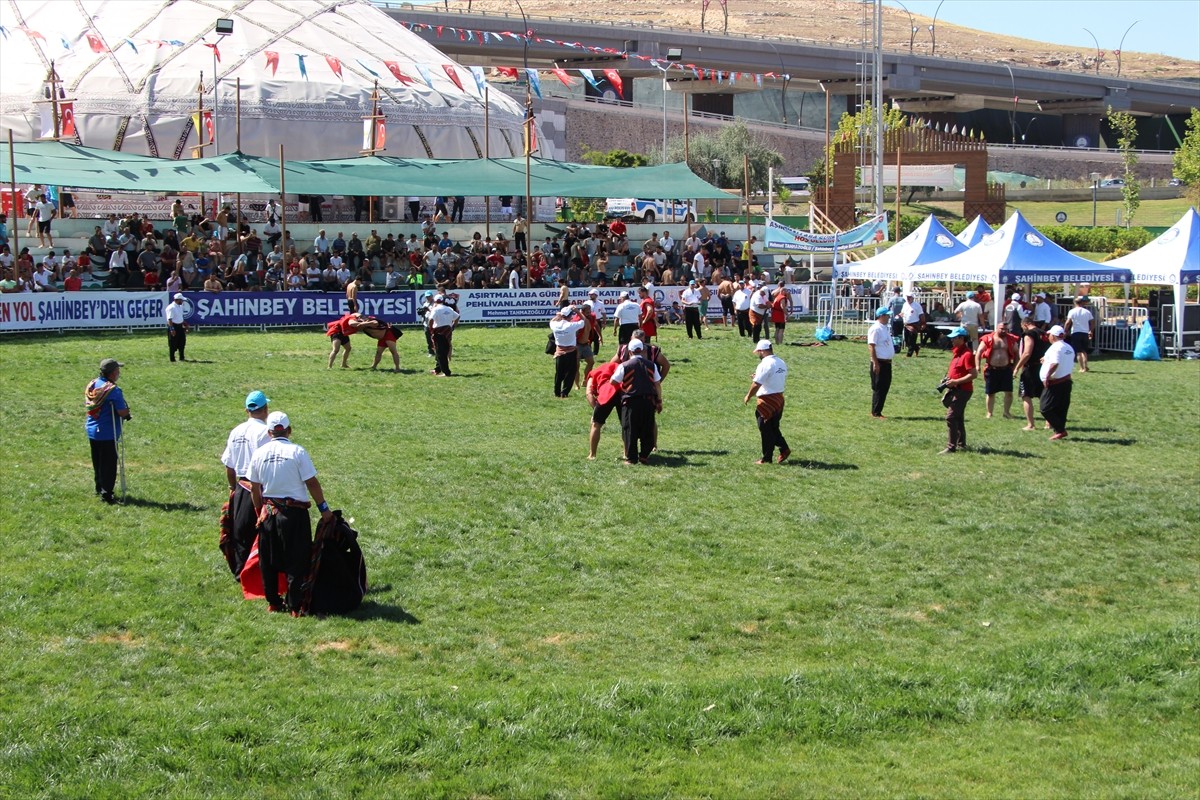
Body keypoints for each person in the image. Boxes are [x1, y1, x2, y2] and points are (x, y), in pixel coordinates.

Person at [248, 411, 333, 615]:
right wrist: (324, 509)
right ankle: (295, 606)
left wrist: (260, 511)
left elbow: (254, 487)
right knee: (297, 559)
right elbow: (311, 482)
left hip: (268, 514)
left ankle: (274, 603)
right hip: (295, 515)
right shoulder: (298, 452)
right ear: (289, 430)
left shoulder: (259, 454)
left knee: (268, 560)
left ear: (269, 433)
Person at [220, 390, 272, 578]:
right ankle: (259, 575)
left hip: (241, 487)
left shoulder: (236, 431)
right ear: (265, 409)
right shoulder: (264, 432)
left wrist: (232, 488)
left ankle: (241, 572)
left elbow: (229, 465)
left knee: (241, 532)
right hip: (259, 488)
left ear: (247, 410)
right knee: (262, 531)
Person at [85, 358, 131, 504]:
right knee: (109, 465)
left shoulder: (93, 384)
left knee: (97, 462)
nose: (119, 373)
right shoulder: (113, 390)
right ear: (112, 373)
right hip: (107, 432)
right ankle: (107, 494)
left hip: (92, 430)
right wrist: (127, 412)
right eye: (118, 371)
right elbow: (122, 412)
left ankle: (99, 487)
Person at [610, 339, 662, 465]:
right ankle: (644, 455)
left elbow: (613, 381)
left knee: (630, 430)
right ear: (643, 350)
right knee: (647, 428)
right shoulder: (652, 365)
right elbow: (657, 385)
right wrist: (659, 401)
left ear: (630, 351)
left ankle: (631, 458)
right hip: (648, 402)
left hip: (631, 402)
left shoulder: (625, 365)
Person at [744, 340, 791, 464]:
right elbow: (773, 377)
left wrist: (748, 396)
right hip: (779, 399)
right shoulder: (781, 362)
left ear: (762, 351)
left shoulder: (765, 364)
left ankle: (766, 458)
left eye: (758, 352)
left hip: (767, 400)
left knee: (765, 428)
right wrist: (758, 376)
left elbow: (757, 384)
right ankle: (784, 449)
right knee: (773, 427)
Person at [940, 327, 977, 454]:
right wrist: (947, 379)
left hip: (963, 390)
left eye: (954, 338)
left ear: (961, 339)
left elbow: (973, 374)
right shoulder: (956, 353)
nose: (951, 340)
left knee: (951, 417)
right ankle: (961, 443)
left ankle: (951, 447)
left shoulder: (967, 354)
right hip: (956, 389)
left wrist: (956, 382)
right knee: (958, 417)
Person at [976, 321, 1019, 419]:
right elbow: (979, 352)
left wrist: (1015, 367)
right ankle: (989, 413)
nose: (1004, 331)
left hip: (1006, 369)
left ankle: (1006, 412)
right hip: (992, 369)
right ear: (996, 328)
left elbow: (1017, 354)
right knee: (990, 393)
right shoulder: (988, 338)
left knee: (1009, 392)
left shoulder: (1011, 339)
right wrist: (977, 366)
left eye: (1005, 329)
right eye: (1001, 329)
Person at [1039, 325, 1075, 440]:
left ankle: (1060, 430)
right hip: (1066, 380)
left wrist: (1047, 376)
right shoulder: (1068, 347)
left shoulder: (1055, 348)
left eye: (1049, 335)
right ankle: (1059, 430)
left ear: (1053, 336)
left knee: (1045, 408)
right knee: (1061, 407)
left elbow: (1055, 363)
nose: (1048, 337)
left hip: (1055, 382)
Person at [1014, 315, 1049, 431]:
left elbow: (1027, 352)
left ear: (1025, 324)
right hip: (1043, 367)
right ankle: (1048, 423)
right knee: (1043, 395)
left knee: (1026, 395)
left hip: (1031, 367)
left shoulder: (1029, 334)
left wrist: (1017, 367)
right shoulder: (1044, 333)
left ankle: (1031, 424)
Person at [585, 359, 620, 460]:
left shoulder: (593, 374)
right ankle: (626, 453)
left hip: (606, 392)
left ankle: (592, 454)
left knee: (596, 424)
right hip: (621, 390)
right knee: (626, 426)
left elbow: (589, 393)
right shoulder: (618, 367)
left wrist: (596, 410)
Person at [550, 305, 586, 398]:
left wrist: (557, 316)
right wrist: (578, 311)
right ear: (570, 316)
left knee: (559, 373)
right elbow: (584, 321)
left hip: (559, 351)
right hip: (570, 352)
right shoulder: (571, 325)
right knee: (570, 372)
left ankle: (557, 392)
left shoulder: (555, 325)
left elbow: (551, 321)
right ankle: (564, 392)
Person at [868, 307, 895, 418]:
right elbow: (871, 346)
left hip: (886, 362)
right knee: (879, 388)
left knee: (884, 387)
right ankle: (876, 412)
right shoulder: (876, 329)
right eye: (887, 315)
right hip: (880, 362)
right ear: (882, 316)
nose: (889, 317)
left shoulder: (884, 328)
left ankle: (877, 410)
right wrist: (875, 363)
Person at [428, 293, 460, 377]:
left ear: (435, 301)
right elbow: (457, 317)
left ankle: (446, 372)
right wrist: (453, 326)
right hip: (448, 331)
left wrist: (431, 328)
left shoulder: (435, 309)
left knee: (440, 353)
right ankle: (438, 369)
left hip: (439, 331)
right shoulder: (449, 309)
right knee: (445, 350)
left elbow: (431, 320)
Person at [1065, 296, 1095, 372]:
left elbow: (1068, 322)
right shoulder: (1087, 312)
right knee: (1084, 351)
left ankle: (1081, 368)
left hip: (1076, 332)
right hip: (1085, 332)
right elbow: (1092, 322)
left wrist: (1065, 331)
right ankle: (1086, 366)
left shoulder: (1072, 311)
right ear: (1082, 302)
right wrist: (1091, 331)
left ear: (1075, 303)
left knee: (1078, 351)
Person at [901, 291, 926, 357]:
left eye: (909, 297)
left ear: (912, 298)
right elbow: (902, 312)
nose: (908, 298)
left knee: (912, 340)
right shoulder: (905, 304)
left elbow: (921, 315)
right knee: (907, 340)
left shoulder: (917, 305)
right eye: (907, 297)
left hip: (914, 324)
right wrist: (900, 315)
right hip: (906, 324)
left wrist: (923, 323)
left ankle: (909, 355)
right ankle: (916, 347)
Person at [166, 292, 188, 362]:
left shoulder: (180, 306)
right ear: (177, 300)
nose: (182, 301)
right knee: (173, 343)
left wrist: (184, 324)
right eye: (181, 300)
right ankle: (172, 358)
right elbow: (170, 319)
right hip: (173, 326)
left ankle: (182, 357)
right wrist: (172, 329)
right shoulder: (171, 308)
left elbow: (180, 317)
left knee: (182, 342)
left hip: (180, 326)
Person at [770, 281, 791, 346]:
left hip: (775, 313)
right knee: (781, 329)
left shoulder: (777, 296)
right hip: (779, 314)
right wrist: (787, 314)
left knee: (777, 328)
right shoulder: (782, 297)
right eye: (786, 291)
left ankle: (777, 342)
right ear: (783, 291)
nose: (787, 292)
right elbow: (782, 307)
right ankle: (780, 343)